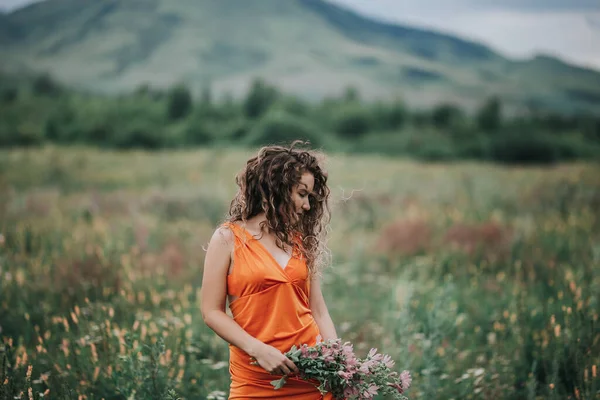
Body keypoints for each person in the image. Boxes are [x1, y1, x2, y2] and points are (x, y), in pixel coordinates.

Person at [201, 141, 338, 399]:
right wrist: (258, 350)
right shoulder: (227, 239)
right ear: (275, 189)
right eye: (301, 193)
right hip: (255, 379)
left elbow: (318, 310)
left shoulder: (301, 242)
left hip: (312, 378)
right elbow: (211, 312)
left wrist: (338, 361)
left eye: (310, 196)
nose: (308, 205)